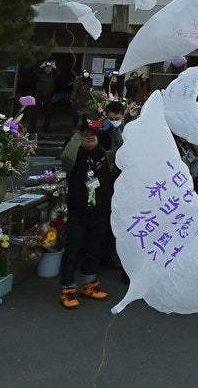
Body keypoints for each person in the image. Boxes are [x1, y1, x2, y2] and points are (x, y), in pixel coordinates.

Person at [58, 119, 116, 309]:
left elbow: (124, 149)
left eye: (93, 133)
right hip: (77, 213)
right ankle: (68, 289)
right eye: (86, 134)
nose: (90, 136)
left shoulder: (104, 156)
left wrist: (114, 130)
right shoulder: (73, 156)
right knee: (72, 251)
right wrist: (79, 133)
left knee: (93, 249)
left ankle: (89, 285)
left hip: (99, 213)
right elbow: (66, 157)